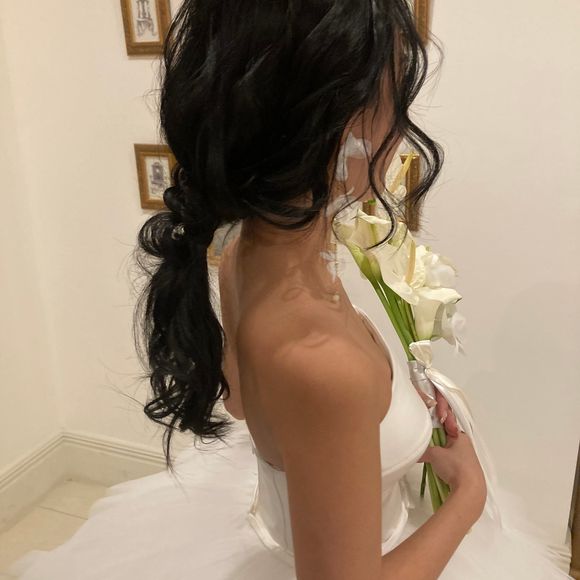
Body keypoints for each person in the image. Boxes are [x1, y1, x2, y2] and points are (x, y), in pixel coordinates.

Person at [7, 1, 573, 579]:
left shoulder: (246, 252)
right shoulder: (319, 355)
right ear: (339, 125)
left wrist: (385, 417)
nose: (400, 128)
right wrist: (469, 496)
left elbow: (247, 402)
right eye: (393, 98)